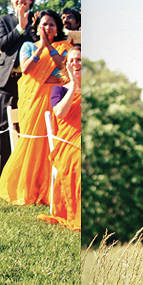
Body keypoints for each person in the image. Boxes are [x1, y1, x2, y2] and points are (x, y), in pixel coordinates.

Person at [0, 10, 70, 205]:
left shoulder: (64, 47)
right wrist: (41, 49)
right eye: (44, 24)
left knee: (52, 140)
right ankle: (28, 187)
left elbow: (63, 70)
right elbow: (27, 70)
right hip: (33, 100)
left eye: (52, 25)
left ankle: (51, 190)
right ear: (37, 27)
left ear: (58, 28)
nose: (48, 28)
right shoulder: (27, 46)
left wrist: (50, 49)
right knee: (33, 140)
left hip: (54, 98)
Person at [38, 45, 81, 231]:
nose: (75, 63)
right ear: (66, 65)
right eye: (71, 60)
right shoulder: (59, 90)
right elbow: (61, 113)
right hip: (69, 144)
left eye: (79, 59)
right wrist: (74, 85)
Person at [0, 0, 36, 174]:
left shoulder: (38, 21)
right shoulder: (4, 20)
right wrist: (20, 27)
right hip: (8, 80)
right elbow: (2, 44)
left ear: (31, 0)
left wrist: (29, 25)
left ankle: (26, 172)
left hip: (31, 80)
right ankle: (4, 172)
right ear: (11, 0)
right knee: (4, 127)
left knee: (28, 124)